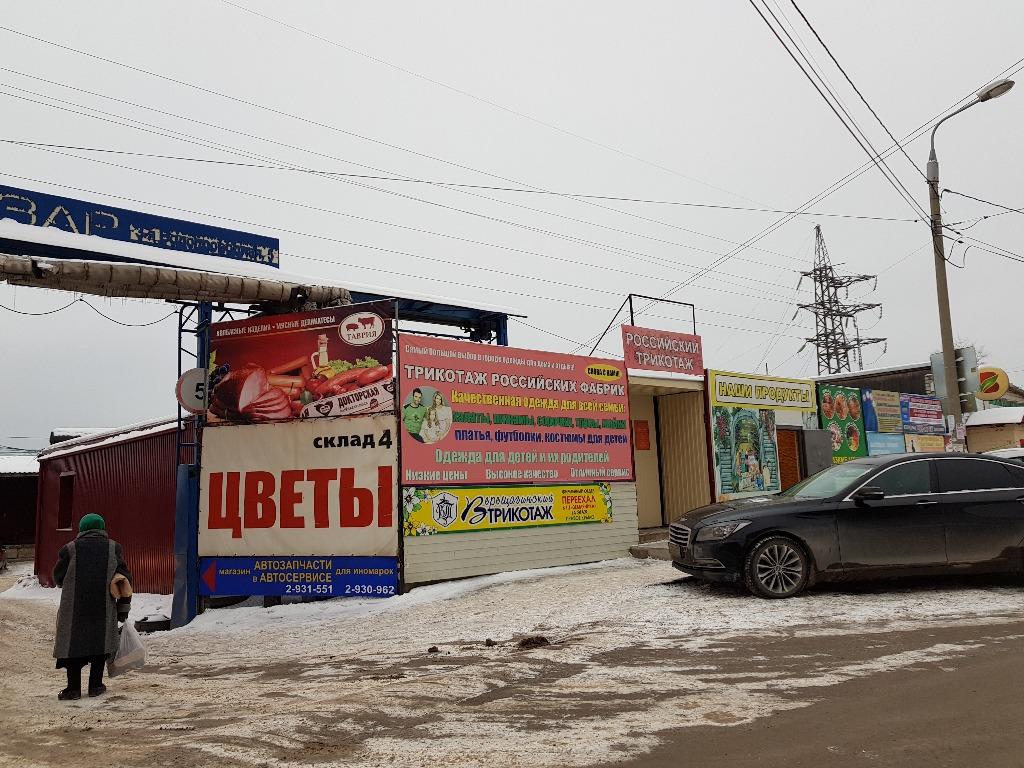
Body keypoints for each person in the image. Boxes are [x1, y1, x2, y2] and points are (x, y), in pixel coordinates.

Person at [52, 513, 132, 700]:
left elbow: (58, 578)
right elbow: (124, 580)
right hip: (103, 608)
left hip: (74, 609)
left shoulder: (70, 549)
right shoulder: (113, 548)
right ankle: (96, 686)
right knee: (100, 645)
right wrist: (123, 611)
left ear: (82, 529)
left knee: (73, 647)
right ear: (102, 528)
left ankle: (73, 689)